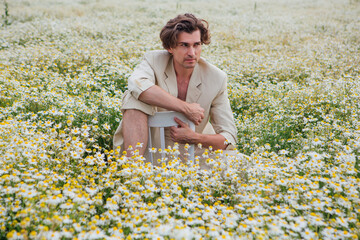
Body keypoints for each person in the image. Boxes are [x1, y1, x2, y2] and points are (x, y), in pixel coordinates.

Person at [113, 13, 237, 161]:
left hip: (194, 151)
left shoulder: (217, 78)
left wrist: (195, 138)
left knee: (245, 165)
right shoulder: (154, 60)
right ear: (170, 47)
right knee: (133, 96)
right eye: (184, 45)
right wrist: (186, 108)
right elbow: (137, 84)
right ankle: (133, 169)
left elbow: (228, 137)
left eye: (196, 45)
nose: (192, 53)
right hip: (150, 149)